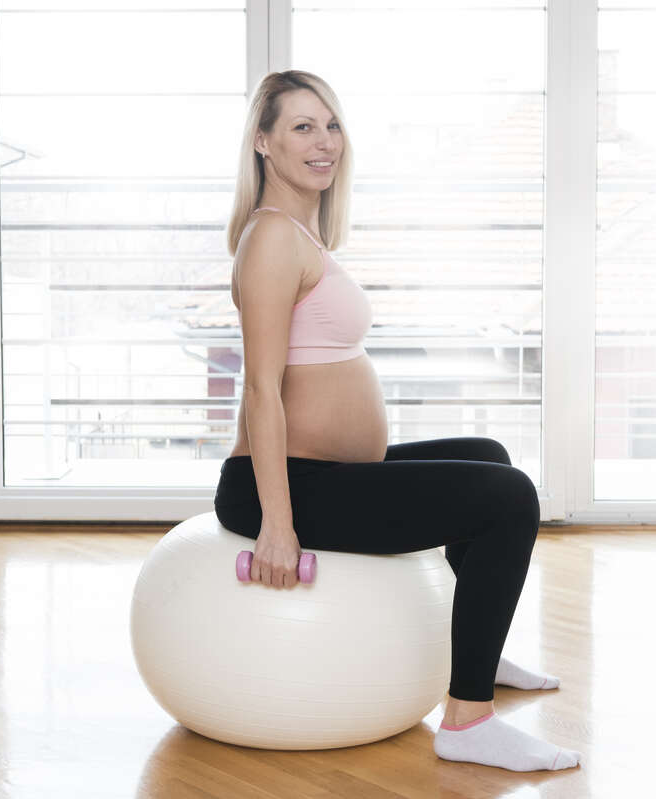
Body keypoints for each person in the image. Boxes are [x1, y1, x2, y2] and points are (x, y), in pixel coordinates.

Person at [214, 70, 581, 773]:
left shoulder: (301, 234)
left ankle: (474, 645)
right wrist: (278, 524)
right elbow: (260, 389)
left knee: (491, 455)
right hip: (287, 482)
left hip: (329, 470)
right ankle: (469, 719)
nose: (325, 142)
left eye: (332, 124)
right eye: (301, 127)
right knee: (511, 500)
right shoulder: (269, 240)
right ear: (262, 143)